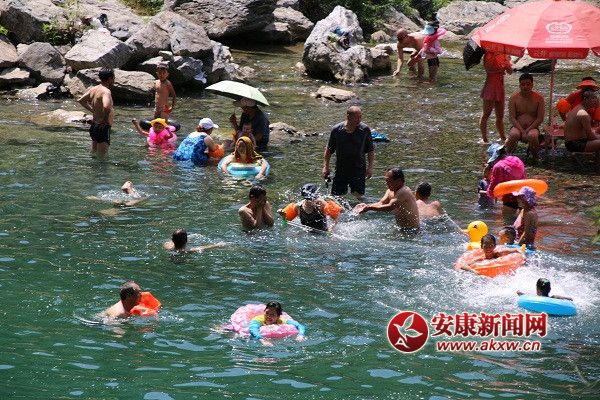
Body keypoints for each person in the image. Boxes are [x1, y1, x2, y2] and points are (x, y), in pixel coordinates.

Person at [322, 106, 374, 196]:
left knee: (358, 196)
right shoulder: (337, 130)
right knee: (336, 196)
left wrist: (370, 167)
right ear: (348, 117)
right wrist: (325, 167)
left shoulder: (364, 130)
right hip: (341, 169)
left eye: (360, 117)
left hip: (358, 169)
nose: (359, 120)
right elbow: (329, 150)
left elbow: (370, 150)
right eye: (356, 117)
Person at [354, 167, 419, 230]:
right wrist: (366, 206)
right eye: (386, 180)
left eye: (389, 181)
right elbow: (381, 203)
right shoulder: (390, 190)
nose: (386, 183)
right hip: (400, 228)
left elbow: (390, 207)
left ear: (398, 181)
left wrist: (369, 208)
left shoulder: (404, 191)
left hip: (412, 230)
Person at [505, 73, 545, 160]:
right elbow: (512, 117)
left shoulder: (539, 98)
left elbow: (540, 118)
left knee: (533, 136)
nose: (525, 86)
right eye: (523, 84)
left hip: (533, 127)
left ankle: (535, 158)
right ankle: (507, 157)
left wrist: (527, 130)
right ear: (519, 85)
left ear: (532, 85)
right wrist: (522, 131)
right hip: (517, 126)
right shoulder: (514, 98)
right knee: (514, 134)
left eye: (528, 84)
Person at [77, 68, 115, 156]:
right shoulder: (106, 91)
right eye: (113, 78)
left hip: (94, 125)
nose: (114, 80)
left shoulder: (94, 89)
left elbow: (81, 100)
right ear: (110, 78)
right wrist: (105, 119)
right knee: (102, 157)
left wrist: (93, 110)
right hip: (103, 127)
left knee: (94, 153)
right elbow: (106, 106)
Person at [485, 143, 527, 222]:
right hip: (523, 196)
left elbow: (493, 188)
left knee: (507, 221)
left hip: (510, 198)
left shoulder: (498, 166)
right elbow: (524, 176)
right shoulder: (516, 159)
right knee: (523, 222)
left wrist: (488, 193)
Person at [479, 52, 512, 143]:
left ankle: (503, 138)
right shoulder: (488, 54)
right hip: (490, 86)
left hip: (500, 87)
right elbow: (488, 68)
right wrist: (501, 67)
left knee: (500, 116)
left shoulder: (504, 55)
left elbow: (510, 72)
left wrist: (506, 64)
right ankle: (485, 139)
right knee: (486, 114)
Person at [455, 234, 520, 272]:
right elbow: (463, 265)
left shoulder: (499, 254)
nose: (488, 248)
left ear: (495, 246)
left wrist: (522, 255)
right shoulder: (481, 259)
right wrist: (473, 271)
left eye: (491, 246)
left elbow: (516, 250)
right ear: (481, 247)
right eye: (486, 246)